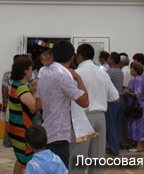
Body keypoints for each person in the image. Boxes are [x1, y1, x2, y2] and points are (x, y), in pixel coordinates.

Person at [36, 40, 89, 169]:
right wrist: (78, 78)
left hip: (47, 131)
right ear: (72, 57)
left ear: (53, 56)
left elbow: (38, 105)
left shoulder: (43, 75)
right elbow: (84, 101)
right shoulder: (63, 77)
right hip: (59, 134)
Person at [70, 43, 119, 174]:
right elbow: (115, 97)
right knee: (97, 162)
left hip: (83, 117)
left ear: (79, 56)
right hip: (100, 117)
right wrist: (100, 99)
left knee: (78, 161)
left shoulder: (76, 74)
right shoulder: (102, 72)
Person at [8, 55, 37, 174]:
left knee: (20, 161)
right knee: (25, 163)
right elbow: (34, 106)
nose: (31, 72)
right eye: (30, 69)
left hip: (15, 127)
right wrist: (34, 92)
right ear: (25, 71)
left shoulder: (15, 85)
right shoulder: (22, 89)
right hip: (22, 130)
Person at [126, 63, 144, 152]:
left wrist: (128, 93)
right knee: (137, 125)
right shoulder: (136, 79)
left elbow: (138, 94)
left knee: (139, 126)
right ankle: (137, 144)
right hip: (135, 105)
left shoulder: (138, 80)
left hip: (137, 105)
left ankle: (139, 146)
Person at [105, 52, 124, 156]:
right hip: (120, 98)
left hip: (112, 100)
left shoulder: (109, 72)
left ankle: (113, 149)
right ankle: (116, 146)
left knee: (111, 125)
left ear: (111, 60)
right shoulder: (120, 71)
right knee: (117, 125)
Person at [2, 54, 21, 148]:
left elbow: (4, 87)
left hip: (12, 99)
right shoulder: (10, 73)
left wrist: (5, 100)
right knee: (11, 120)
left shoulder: (8, 73)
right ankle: (9, 141)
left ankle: (8, 141)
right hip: (17, 99)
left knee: (9, 119)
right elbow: (4, 87)